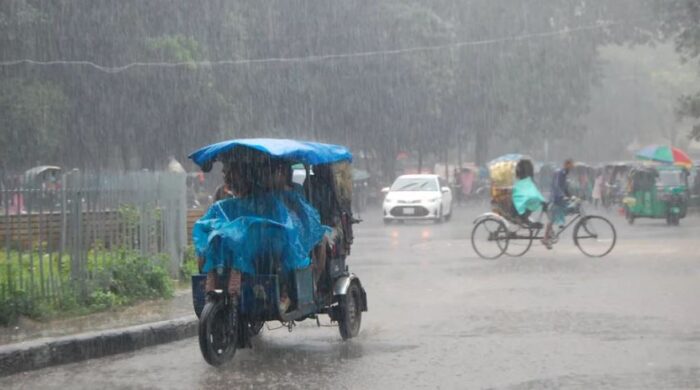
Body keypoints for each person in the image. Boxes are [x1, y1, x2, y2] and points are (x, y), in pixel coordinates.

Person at [542, 159, 574, 249]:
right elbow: (557, 186)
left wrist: (571, 196)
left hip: (559, 198)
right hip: (555, 198)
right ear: (566, 165)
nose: (570, 168)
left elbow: (565, 187)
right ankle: (545, 238)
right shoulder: (560, 173)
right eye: (569, 166)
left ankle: (553, 231)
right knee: (552, 219)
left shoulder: (564, 174)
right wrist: (563, 195)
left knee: (567, 210)